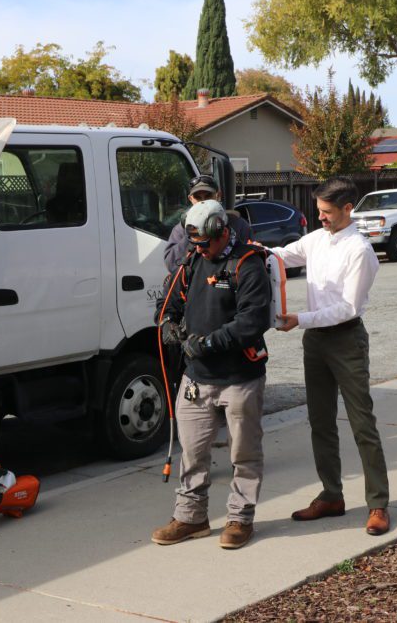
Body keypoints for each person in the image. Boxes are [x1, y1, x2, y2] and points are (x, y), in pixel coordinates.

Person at [271, 176, 391, 536]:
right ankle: (331, 495)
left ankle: (378, 504)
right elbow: (281, 254)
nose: (320, 217)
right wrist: (244, 246)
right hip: (315, 342)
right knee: (320, 422)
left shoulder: (360, 251)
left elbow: (348, 308)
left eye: (326, 212)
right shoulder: (316, 239)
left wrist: (300, 319)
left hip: (345, 340)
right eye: (318, 210)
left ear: (347, 209)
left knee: (361, 423)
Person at [151, 199, 272, 550]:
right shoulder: (190, 262)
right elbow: (168, 304)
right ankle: (191, 518)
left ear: (222, 231)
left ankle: (239, 519)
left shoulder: (248, 264)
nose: (199, 248)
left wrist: (206, 343)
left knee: (243, 453)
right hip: (196, 379)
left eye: (204, 242)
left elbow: (252, 321)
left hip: (240, 377)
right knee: (192, 451)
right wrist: (170, 326)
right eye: (194, 243)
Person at [164, 175, 253, 272]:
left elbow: (250, 262)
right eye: (198, 197)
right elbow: (171, 264)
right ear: (191, 199)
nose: (203, 201)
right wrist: (192, 232)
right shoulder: (181, 229)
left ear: (218, 195)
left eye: (208, 196)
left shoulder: (238, 225)